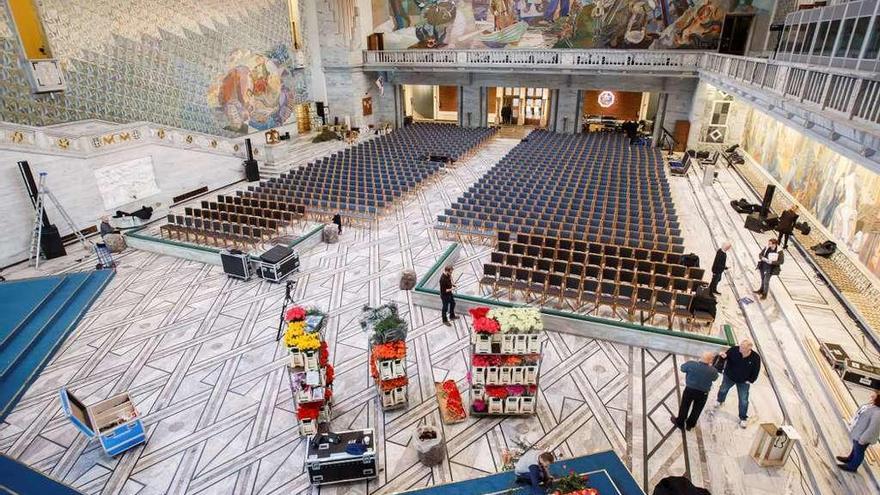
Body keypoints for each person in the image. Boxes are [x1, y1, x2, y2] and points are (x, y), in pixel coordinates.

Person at [712, 339, 761, 428]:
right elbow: (727, 356)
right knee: (723, 389)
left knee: (743, 400)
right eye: (740, 345)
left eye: (742, 347)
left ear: (748, 349)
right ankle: (720, 400)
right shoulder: (734, 349)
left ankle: (743, 418)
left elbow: (756, 370)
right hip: (729, 376)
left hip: (743, 381)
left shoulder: (755, 358)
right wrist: (724, 356)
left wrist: (751, 380)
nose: (740, 348)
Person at [671, 351, 719, 431]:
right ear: (711, 360)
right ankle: (690, 424)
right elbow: (715, 378)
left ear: (701, 357)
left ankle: (680, 422)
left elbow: (682, 368)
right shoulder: (713, 371)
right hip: (703, 393)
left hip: (690, 390)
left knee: (684, 406)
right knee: (697, 409)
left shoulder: (692, 364)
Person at [836, 390, 880, 472]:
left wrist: (863, 439)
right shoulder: (871, 405)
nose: (872, 395)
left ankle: (852, 467)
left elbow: (872, 428)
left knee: (859, 452)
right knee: (855, 448)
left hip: (863, 436)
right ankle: (850, 459)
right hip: (858, 431)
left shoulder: (878, 413)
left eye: (874, 395)